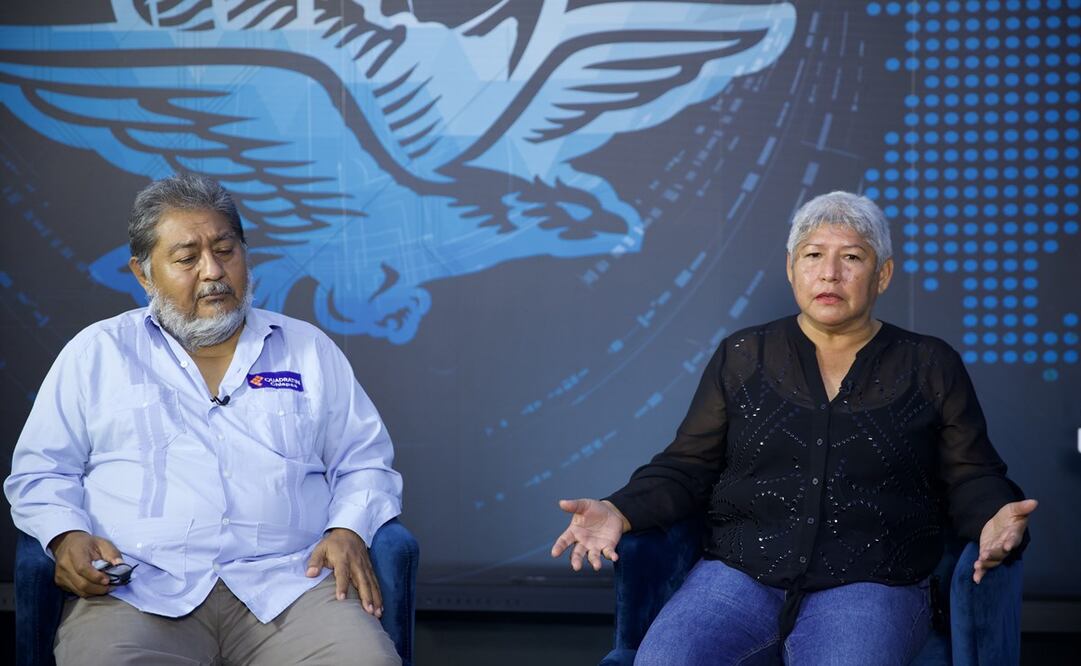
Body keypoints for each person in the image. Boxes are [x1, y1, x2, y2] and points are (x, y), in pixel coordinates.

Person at [551, 191, 1037, 665]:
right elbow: (686, 466)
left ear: (883, 274)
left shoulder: (929, 364)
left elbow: (972, 474)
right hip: (739, 574)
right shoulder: (744, 355)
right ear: (791, 268)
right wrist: (619, 508)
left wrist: (994, 514)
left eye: (852, 257)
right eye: (813, 255)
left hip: (873, 581)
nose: (830, 272)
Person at [5, 173, 403, 665]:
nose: (213, 271)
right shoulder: (98, 352)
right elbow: (41, 471)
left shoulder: (308, 349)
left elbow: (364, 461)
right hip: (140, 590)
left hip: (290, 585)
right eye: (187, 258)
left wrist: (348, 530)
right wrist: (66, 535)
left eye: (225, 250)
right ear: (143, 274)